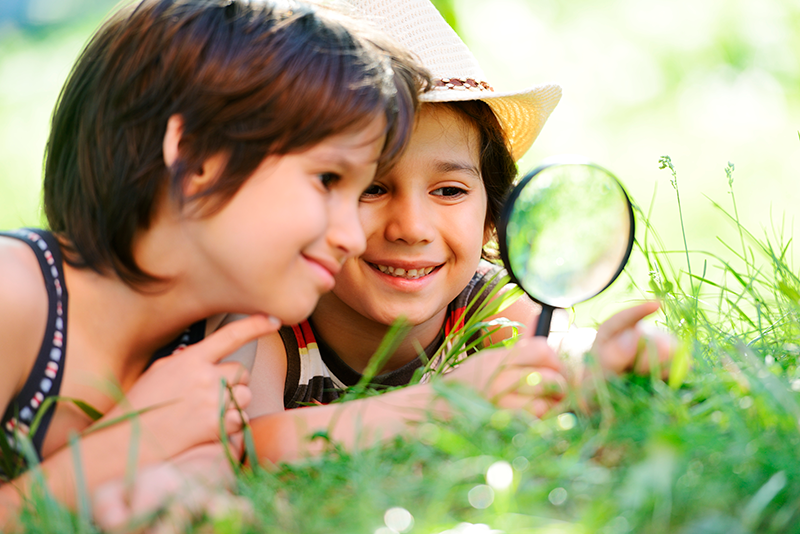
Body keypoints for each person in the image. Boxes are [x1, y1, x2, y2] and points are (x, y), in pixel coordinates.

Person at [0, 0, 430, 527]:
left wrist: (180, 494)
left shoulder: (225, 332)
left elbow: (202, 476)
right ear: (199, 158)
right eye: (327, 181)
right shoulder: (15, 294)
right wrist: (129, 443)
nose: (353, 236)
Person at [242, 0, 675, 462]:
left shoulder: (484, 302)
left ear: (492, 219)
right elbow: (249, 449)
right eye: (370, 188)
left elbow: (552, 355)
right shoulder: (269, 317)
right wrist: (443, 403)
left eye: (449, 191)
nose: (411, 228)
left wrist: (598, 358)